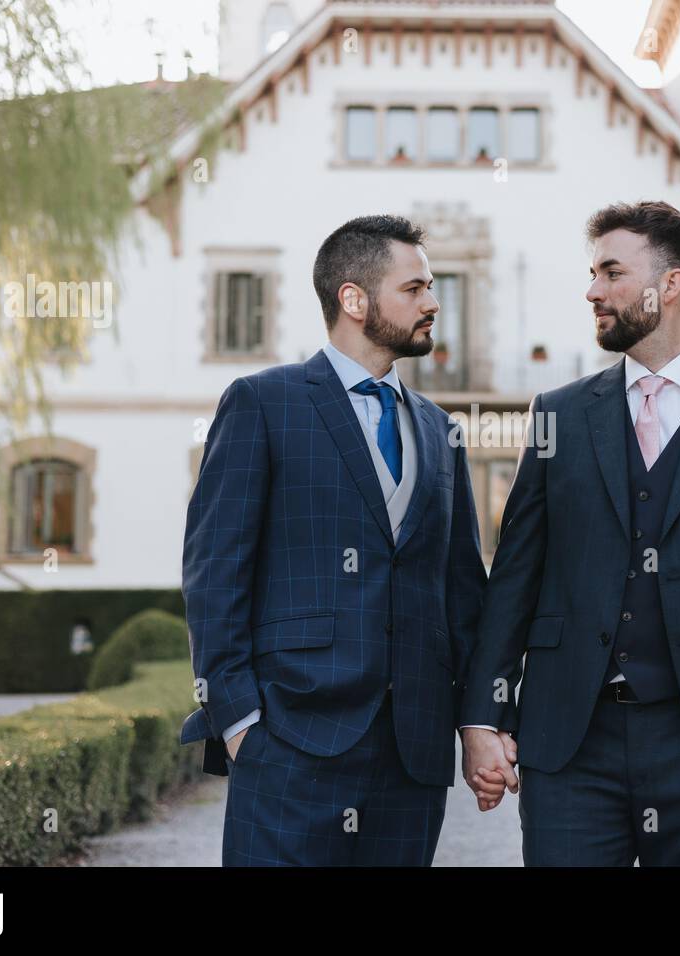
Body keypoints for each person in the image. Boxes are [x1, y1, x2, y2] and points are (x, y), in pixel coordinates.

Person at [459, 200, 680, 866]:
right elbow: (514, 577)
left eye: (611, 272)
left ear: (672, 284)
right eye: (593, 273)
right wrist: (483, 718)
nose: (593, 290)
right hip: (571, 746)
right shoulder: (559, 416)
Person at [180, 214, 493, 865]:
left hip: (411, 756)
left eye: (432, 287)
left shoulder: (440, 430)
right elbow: (215, 572)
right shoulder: (265, 403)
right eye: (415, 288)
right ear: (354, 298)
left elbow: (463, 592)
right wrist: (239, 724)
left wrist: (476, 720)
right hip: (289, 742)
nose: (433, 302)